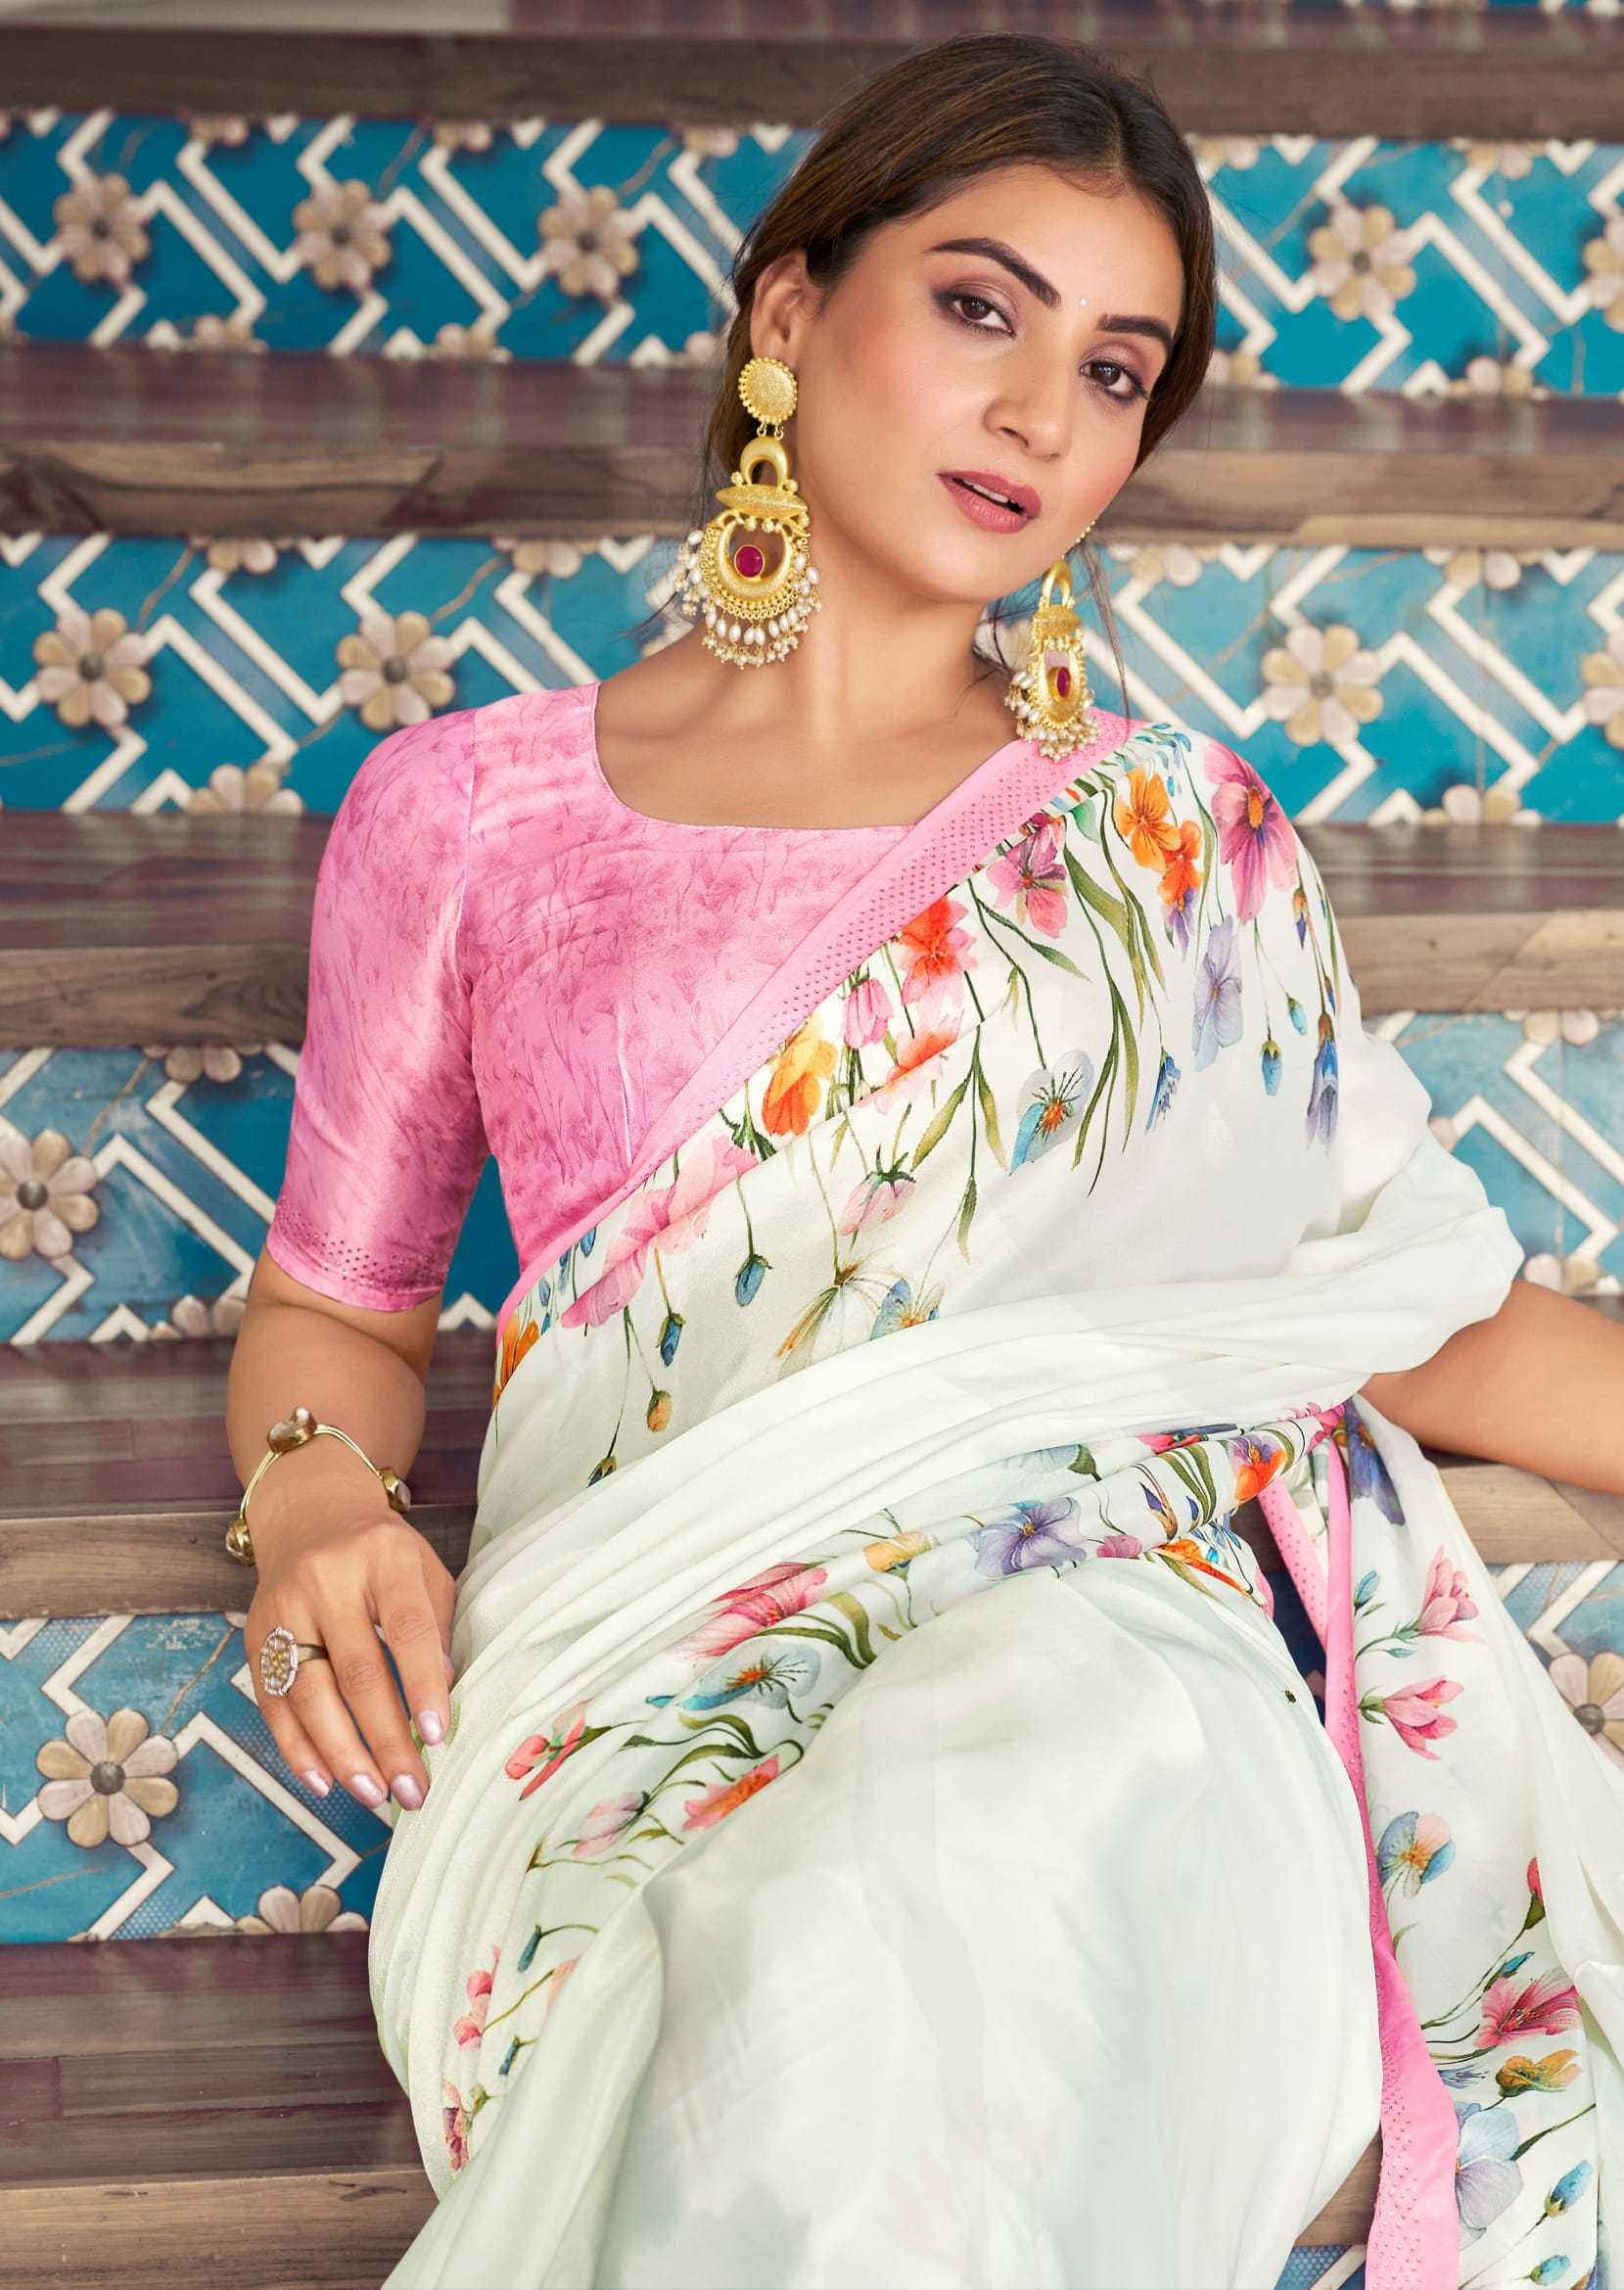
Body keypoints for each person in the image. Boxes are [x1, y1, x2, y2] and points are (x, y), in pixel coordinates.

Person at [226, 32, 1624, 2290]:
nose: (1039, 412)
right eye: (979, 307)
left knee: (1000, 1790)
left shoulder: (1166, 836)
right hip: (650, 1670)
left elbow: (1377, 1310)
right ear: (791, 311)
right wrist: (313, 1494)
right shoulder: (469, 816)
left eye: (1113, 367)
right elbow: (338, 1298)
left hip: (1115, 1658)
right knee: (826, 1962)